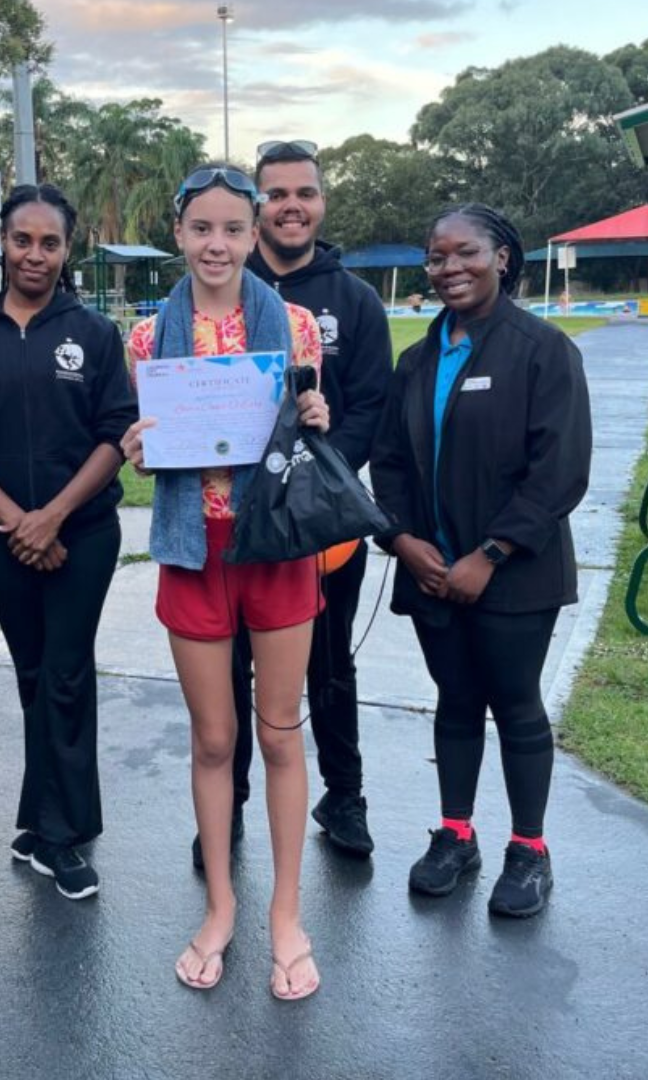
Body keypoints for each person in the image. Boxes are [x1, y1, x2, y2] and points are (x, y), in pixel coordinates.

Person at [122, 163, 329, 999]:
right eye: (202, 228)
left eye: (233, 229)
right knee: (214, 741)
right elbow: (153, 445)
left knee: (278, 734)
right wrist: (139, 450)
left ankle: (286, 914)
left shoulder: (298, 326)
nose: (218, 244)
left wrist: (315, 416)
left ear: (255, 236)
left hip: (275, 544)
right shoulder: (144, 338)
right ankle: (220, 906)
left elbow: (310, 431)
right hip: (192, 548)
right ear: (179, 233)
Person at [370, 203, 592, 918]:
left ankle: (529, 849)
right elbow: (390, 462)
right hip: (429, 568)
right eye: (436, 258)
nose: (448, 269)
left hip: (514, 574)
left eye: (464, 253)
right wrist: (403, 541)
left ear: (502, 258)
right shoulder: (418, 359)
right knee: (457, 702)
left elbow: (560, 472)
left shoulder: (541, 350)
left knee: (516, 706)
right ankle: (456, 835)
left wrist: (489, 554)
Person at [0, 184, 136, 901]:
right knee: (34, 674)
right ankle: (47, 812)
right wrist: (18, 522)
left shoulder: (95, 333)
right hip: (3, 539)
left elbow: (115, 434)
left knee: (66, 674)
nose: (34, 255)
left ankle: (62, 836)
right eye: (22, 240)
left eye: (49, 242)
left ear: (66, 249)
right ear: (2, 244)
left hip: (86, 536)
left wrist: (53, 519)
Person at [205, 139, 392, 868]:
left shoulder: (355, 301)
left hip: (322, 519)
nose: (291, 205)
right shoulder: (224, 289)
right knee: (233, 667)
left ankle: (344, 797)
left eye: (303, 192)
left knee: (329, 664)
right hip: (235, 522)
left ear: (321, 202)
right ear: (256, 209)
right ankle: (233, 806)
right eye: (276, 193)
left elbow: (371, 404)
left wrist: (310, 479)